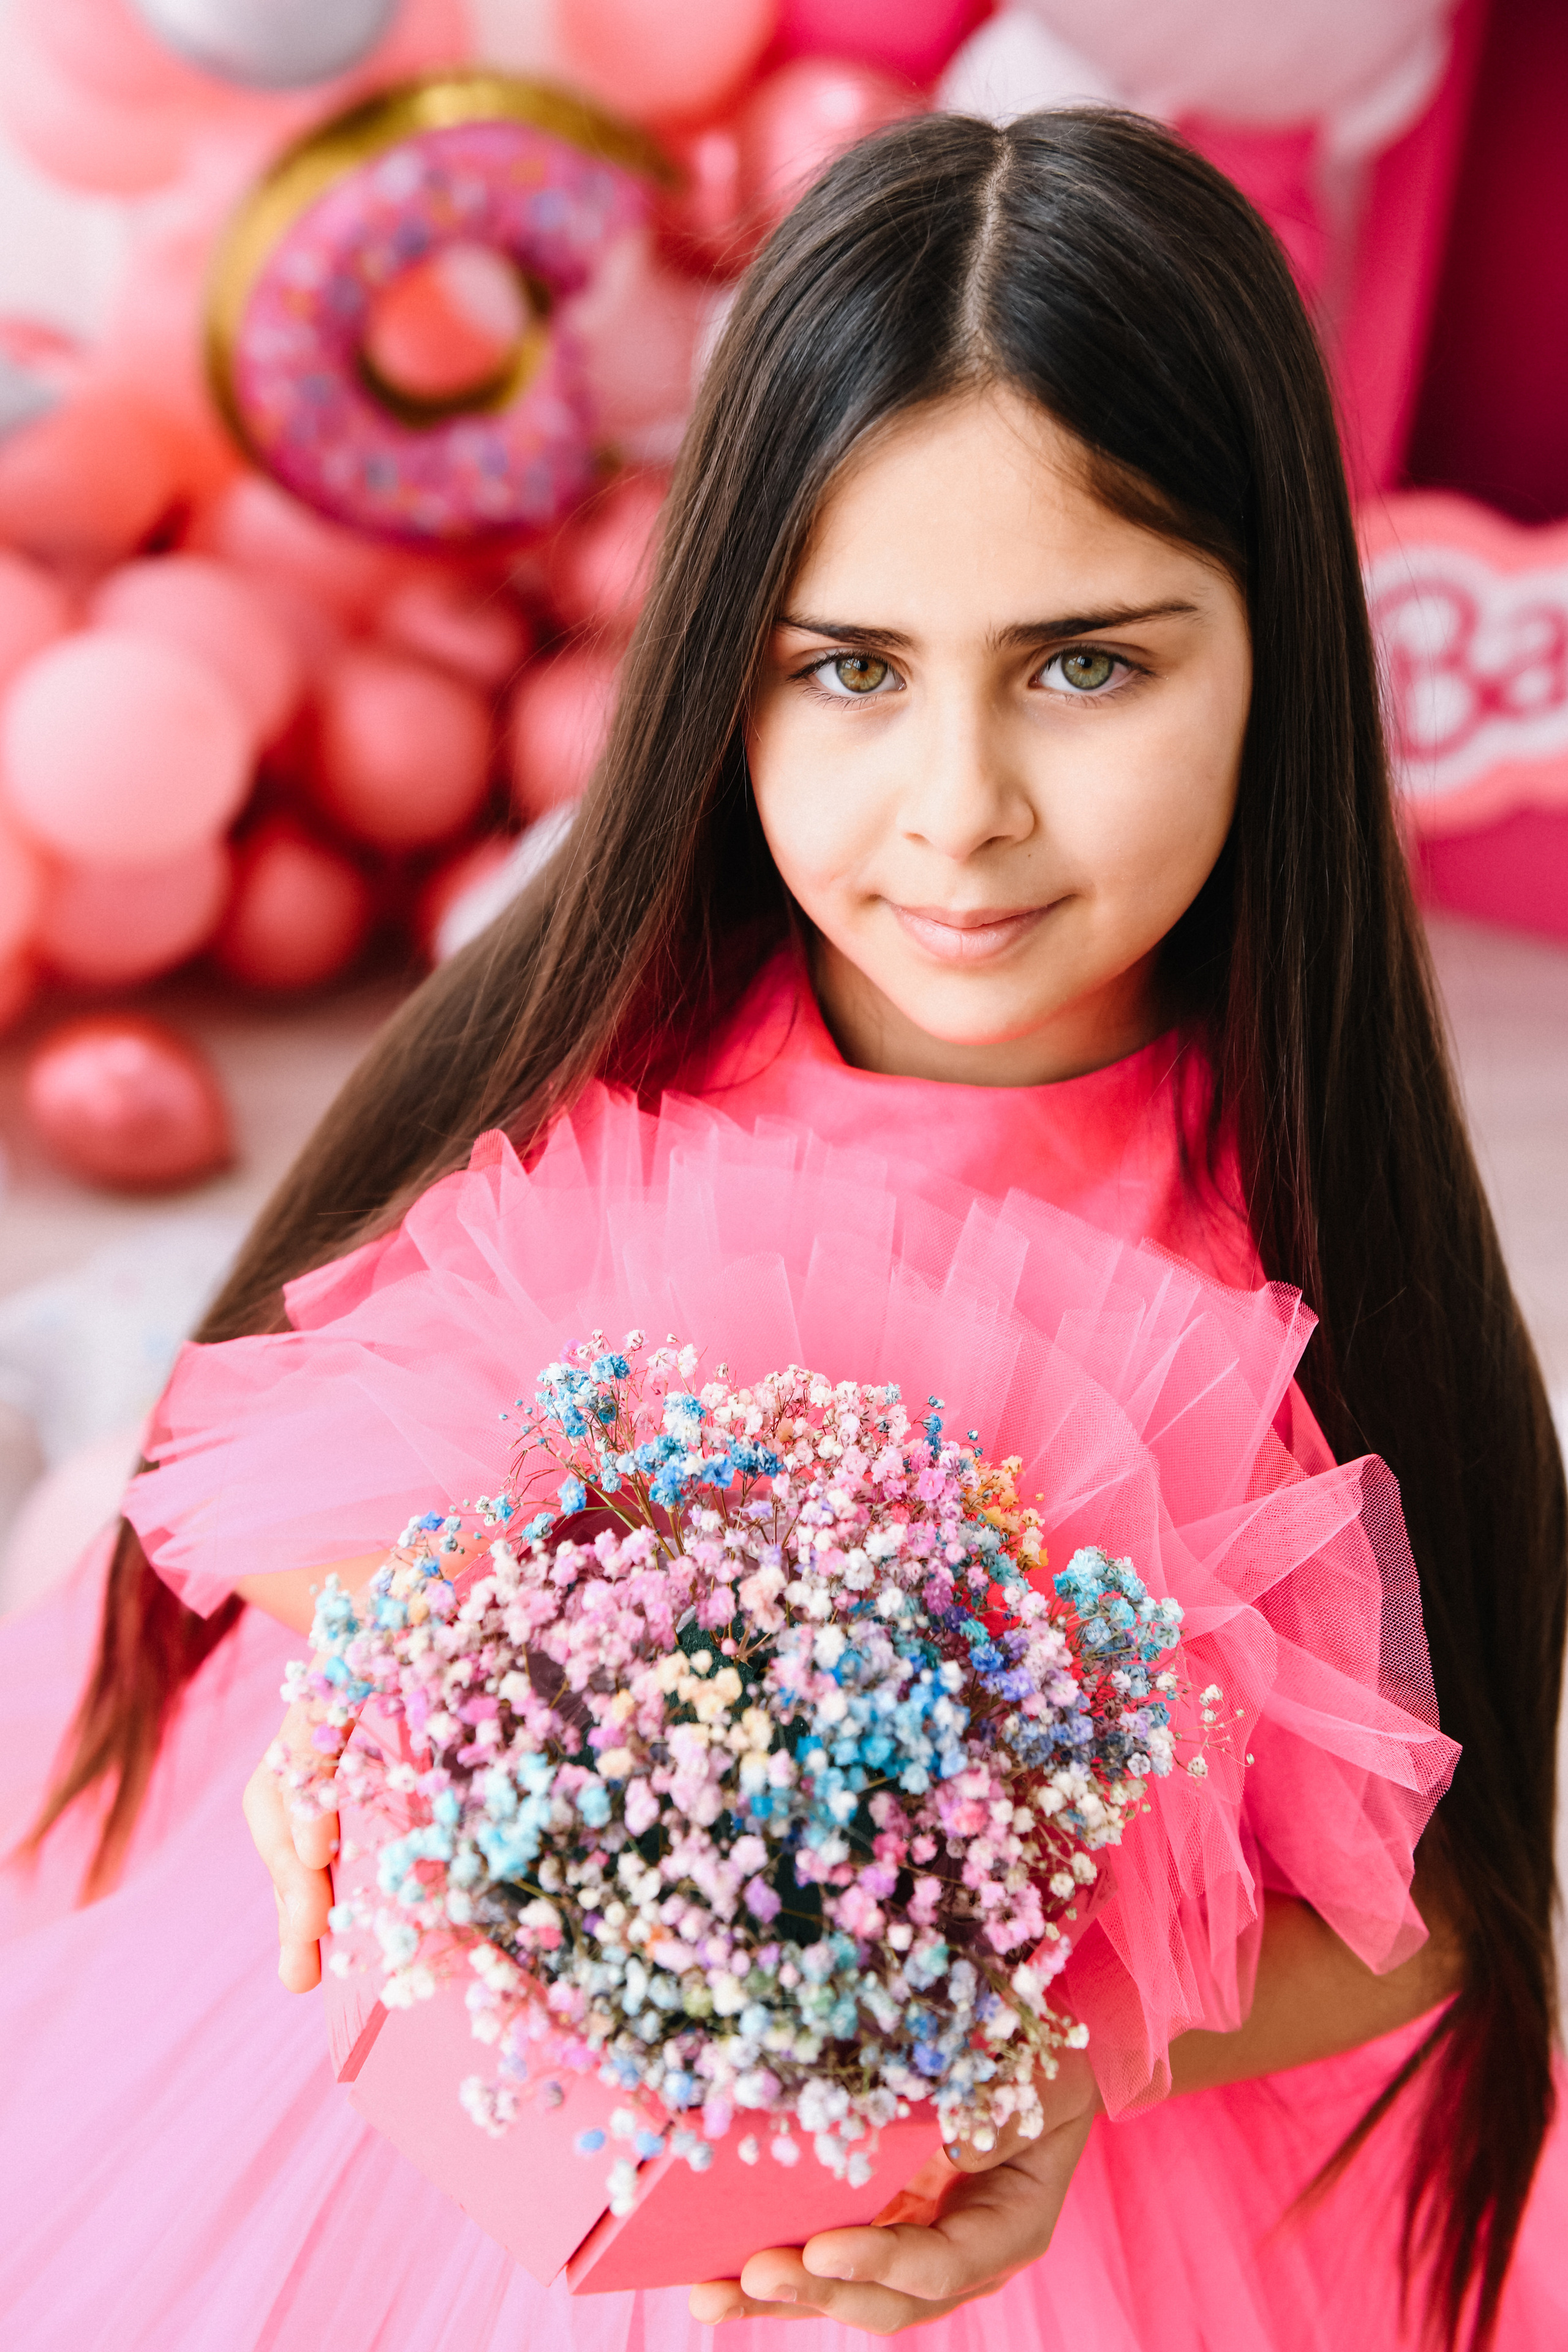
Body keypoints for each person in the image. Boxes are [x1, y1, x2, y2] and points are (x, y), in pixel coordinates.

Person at [3, 108, 1563, 2352]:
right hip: (429, 2142)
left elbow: (1422, 1899)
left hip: (1047, 2241)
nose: (958, 810)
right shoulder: (599, 1075)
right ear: (722, 668)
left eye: (1089, 665)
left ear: (1279, 655)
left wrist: (1045, 2060)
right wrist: (365, 1717)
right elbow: (296, 1468)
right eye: (848, 669)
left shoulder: (1294, 1281)